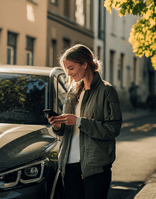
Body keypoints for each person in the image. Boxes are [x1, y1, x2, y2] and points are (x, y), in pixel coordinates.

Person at [48, 44, 122, 199]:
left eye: (71, 67)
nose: (68, 72)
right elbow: (68, 129)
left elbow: (112, 129)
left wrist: (80, 121)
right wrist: (58, 126)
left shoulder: (107, 91)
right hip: (69, 164)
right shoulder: (73, 92)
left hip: (95, 167)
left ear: (84, 64)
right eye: (66, 68)